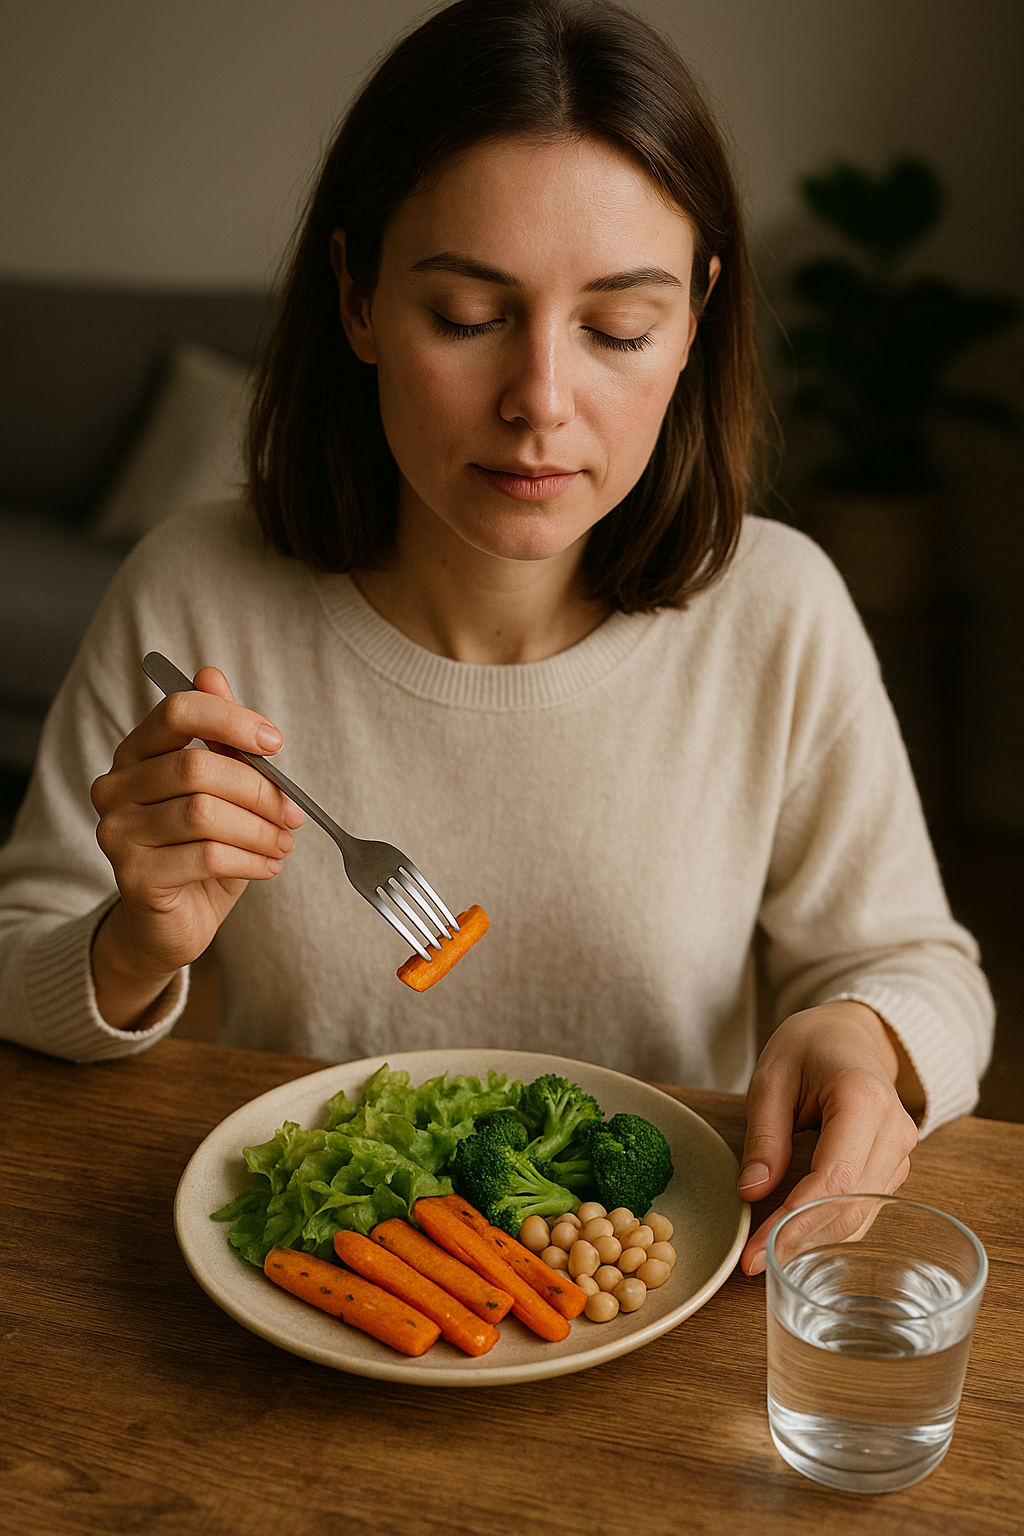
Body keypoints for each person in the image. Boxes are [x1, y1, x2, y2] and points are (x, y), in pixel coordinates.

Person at [0, 0, 992, 1276]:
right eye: (468, 315)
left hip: (644, 1305)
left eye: (618, 329)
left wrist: (870, 1036)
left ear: (692, 320)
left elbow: (918, 962)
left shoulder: (777, 609)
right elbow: (23, 947)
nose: (539, 400)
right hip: (290, 1298)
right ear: (355, 299)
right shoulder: (196, 592)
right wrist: (132, 943)